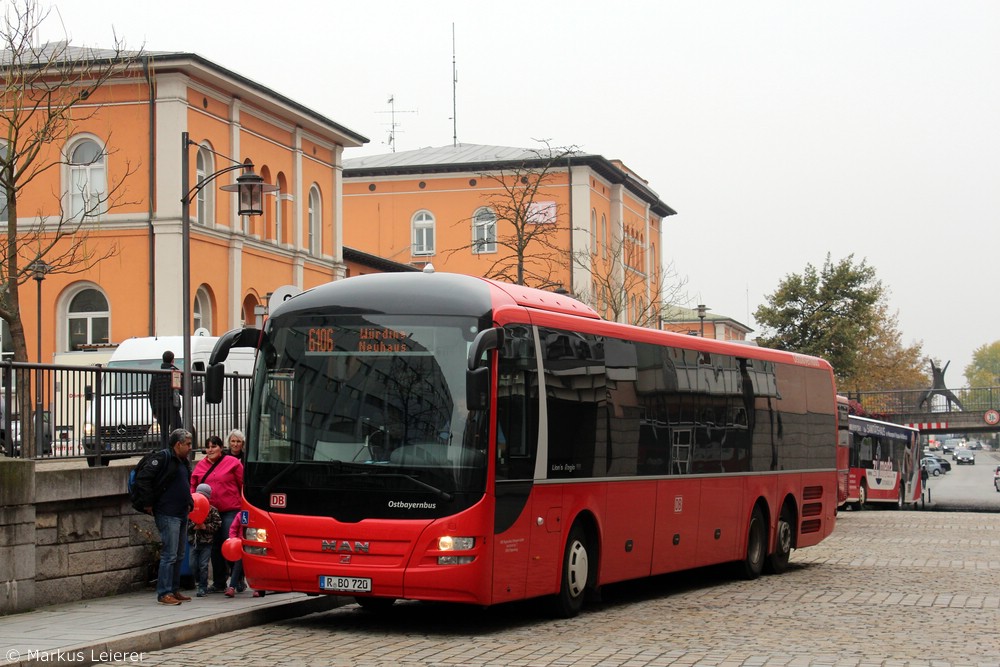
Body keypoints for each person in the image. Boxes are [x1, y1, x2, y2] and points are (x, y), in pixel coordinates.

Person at [133, 428, 193, 606]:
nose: (191, 447)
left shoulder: (183, 461)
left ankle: (174, 589)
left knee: (179, 554)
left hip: (181, 512)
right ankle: (164, 592)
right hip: (168, 513)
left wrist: (189, 500)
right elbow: (143, 479)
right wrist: (149, 503)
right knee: (170, 554)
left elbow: (183, 483)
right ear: (178, 444)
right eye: (188, 444)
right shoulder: (162, 458)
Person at [190, 434, 244, 593]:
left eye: (214, 446)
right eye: (208, 447)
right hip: (210, 512)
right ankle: (219, 581)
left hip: (230, 509)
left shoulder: (232, 463)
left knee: (230, 543)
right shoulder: (200, 466)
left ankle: (237, 579)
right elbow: (193, 488)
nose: (210, 450)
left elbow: (242, 483)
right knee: (214, 547)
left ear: (221, 448)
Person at [188, 483, 222, 597]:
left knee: (203, 565)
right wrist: (194, 526)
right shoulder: (191, 509)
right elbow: (186, 526)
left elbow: (217, 525)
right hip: (194, 542)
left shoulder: (213, 510)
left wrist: (205, 527)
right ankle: (198, 582)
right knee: (193, 564)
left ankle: (203, 587)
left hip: (207, 542)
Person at [226, 512, 265, 598]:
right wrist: (233, 540)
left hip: (255, 546)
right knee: (237, 566)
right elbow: (233, 529)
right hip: (241, 545)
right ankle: (232, 587)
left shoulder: (260, 515)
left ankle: (257, 589)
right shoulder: (241, 515)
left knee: (255, 568)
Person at [148, 350, 182, 446]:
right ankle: (175, 450)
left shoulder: (156, 374)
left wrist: (154, 410)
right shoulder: (175, 372)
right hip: (172, 406)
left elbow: (151, 393)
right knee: (177, 430)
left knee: (164, 432)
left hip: (159, 408)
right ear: (172, 360)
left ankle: (165, 450)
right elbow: (181, 390)